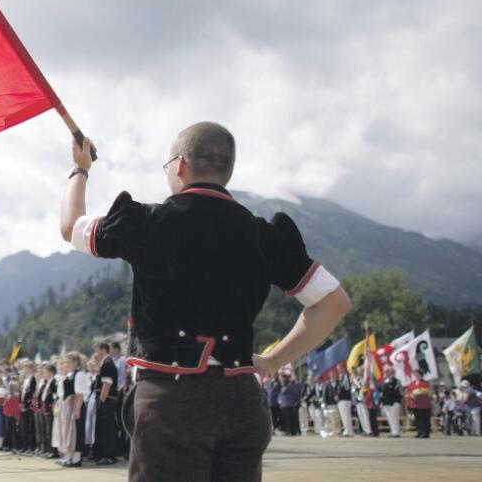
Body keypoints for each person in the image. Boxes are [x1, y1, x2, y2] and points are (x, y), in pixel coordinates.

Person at [60, 122, 351, 481]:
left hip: (170, 400)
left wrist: (81, 168)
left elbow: (70, 226)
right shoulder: (264, 234)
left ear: (179, 165)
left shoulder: (146, 221)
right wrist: (275, 360)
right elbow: (333, 302)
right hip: (242, 400)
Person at [92, 342, 119, 464]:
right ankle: (106, 454)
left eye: (96, 350)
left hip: (107, 399)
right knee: (106, 428)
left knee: (106, 428)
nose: (95, 353)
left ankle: (108, 456)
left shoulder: (107, 363)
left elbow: (106, 384)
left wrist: (102, 401)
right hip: (108, 399)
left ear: (103, 350)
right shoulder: (106, 363)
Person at [405, 370, 431, 438]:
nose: (416, 376)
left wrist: (418, 393)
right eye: (415, 374)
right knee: (417, 419)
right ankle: (419, 432)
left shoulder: (425, 383)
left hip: (423, 404)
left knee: (424, 419)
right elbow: (408, 391)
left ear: (421, 375)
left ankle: (425, 433)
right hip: (415, 404)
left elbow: (426, 390)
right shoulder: (412, 383)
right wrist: (410, 395)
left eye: (417, 374)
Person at [379, 367, 403, 437]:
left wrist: (398, 401)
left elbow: (399, 392)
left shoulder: (396, 381)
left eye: (388, 371)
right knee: (390, 418)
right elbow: (381, 392)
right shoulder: (384, 381)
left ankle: (396, 432)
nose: (386, 373)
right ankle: (393, 431)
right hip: (386, 402)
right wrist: (381, 401)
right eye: (385, 371)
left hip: (394, 402)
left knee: (394, 417)